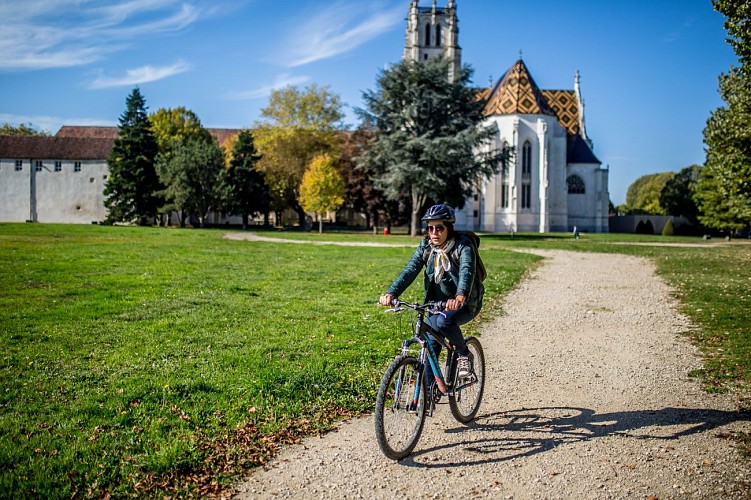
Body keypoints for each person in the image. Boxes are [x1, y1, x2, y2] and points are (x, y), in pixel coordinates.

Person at [379, 204, 483, 378]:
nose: (434, 232)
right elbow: (410, 270)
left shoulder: (463, 245)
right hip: (436, 303)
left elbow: (467, 270)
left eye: (439, 228)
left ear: (448, 228)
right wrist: (392, 293)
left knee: (443, 323)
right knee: (430, 346)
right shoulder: (426, 246)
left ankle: (464, 354)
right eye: (430, 228)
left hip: (465, 302)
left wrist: (460, 296)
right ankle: (428, 398)